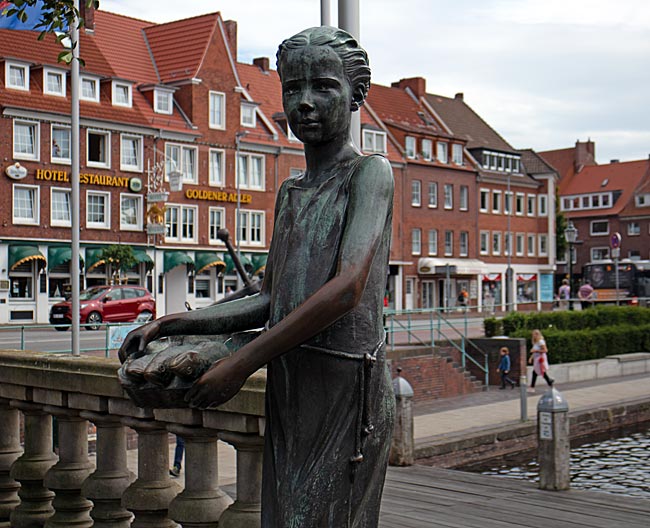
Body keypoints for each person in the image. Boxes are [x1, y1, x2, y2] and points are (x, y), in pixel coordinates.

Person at [119, 26, 394, 528]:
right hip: (293, 380)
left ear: (356, 96)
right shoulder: (290, 192)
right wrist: (175, 323)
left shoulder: (369, 174)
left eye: (323, 87)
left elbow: (346, 289)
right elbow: (270, 298)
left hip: (345, 388)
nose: (305, 102)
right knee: (283, 514)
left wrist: (240, 362)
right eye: (293, 90)